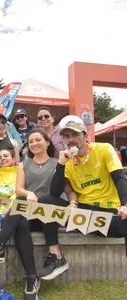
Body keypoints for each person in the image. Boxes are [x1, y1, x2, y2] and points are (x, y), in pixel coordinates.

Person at [0, 128, 62, 300]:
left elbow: (65, 189)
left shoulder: (57, 162)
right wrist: (28, 194)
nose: (34, 144)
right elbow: (19, 188)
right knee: (20, 223)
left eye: (37, 140)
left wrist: (72, 203)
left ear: (47, 142)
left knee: (20, 204)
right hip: (30, 210)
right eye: (31, 141)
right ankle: (31, 279)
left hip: (49, 214)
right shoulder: (23, 165)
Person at [35, 115, 127, 281]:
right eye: (67, 136)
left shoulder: (104, 149)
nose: (71, 140)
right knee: (46, 202)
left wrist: (126, 204)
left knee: (123, 224)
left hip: (108, 212)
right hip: (83, 212)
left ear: (85, 136)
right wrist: (61, 165)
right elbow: (55, 193)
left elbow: (119, 178)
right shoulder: (67, 162)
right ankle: (56, 257)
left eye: (75, 135)